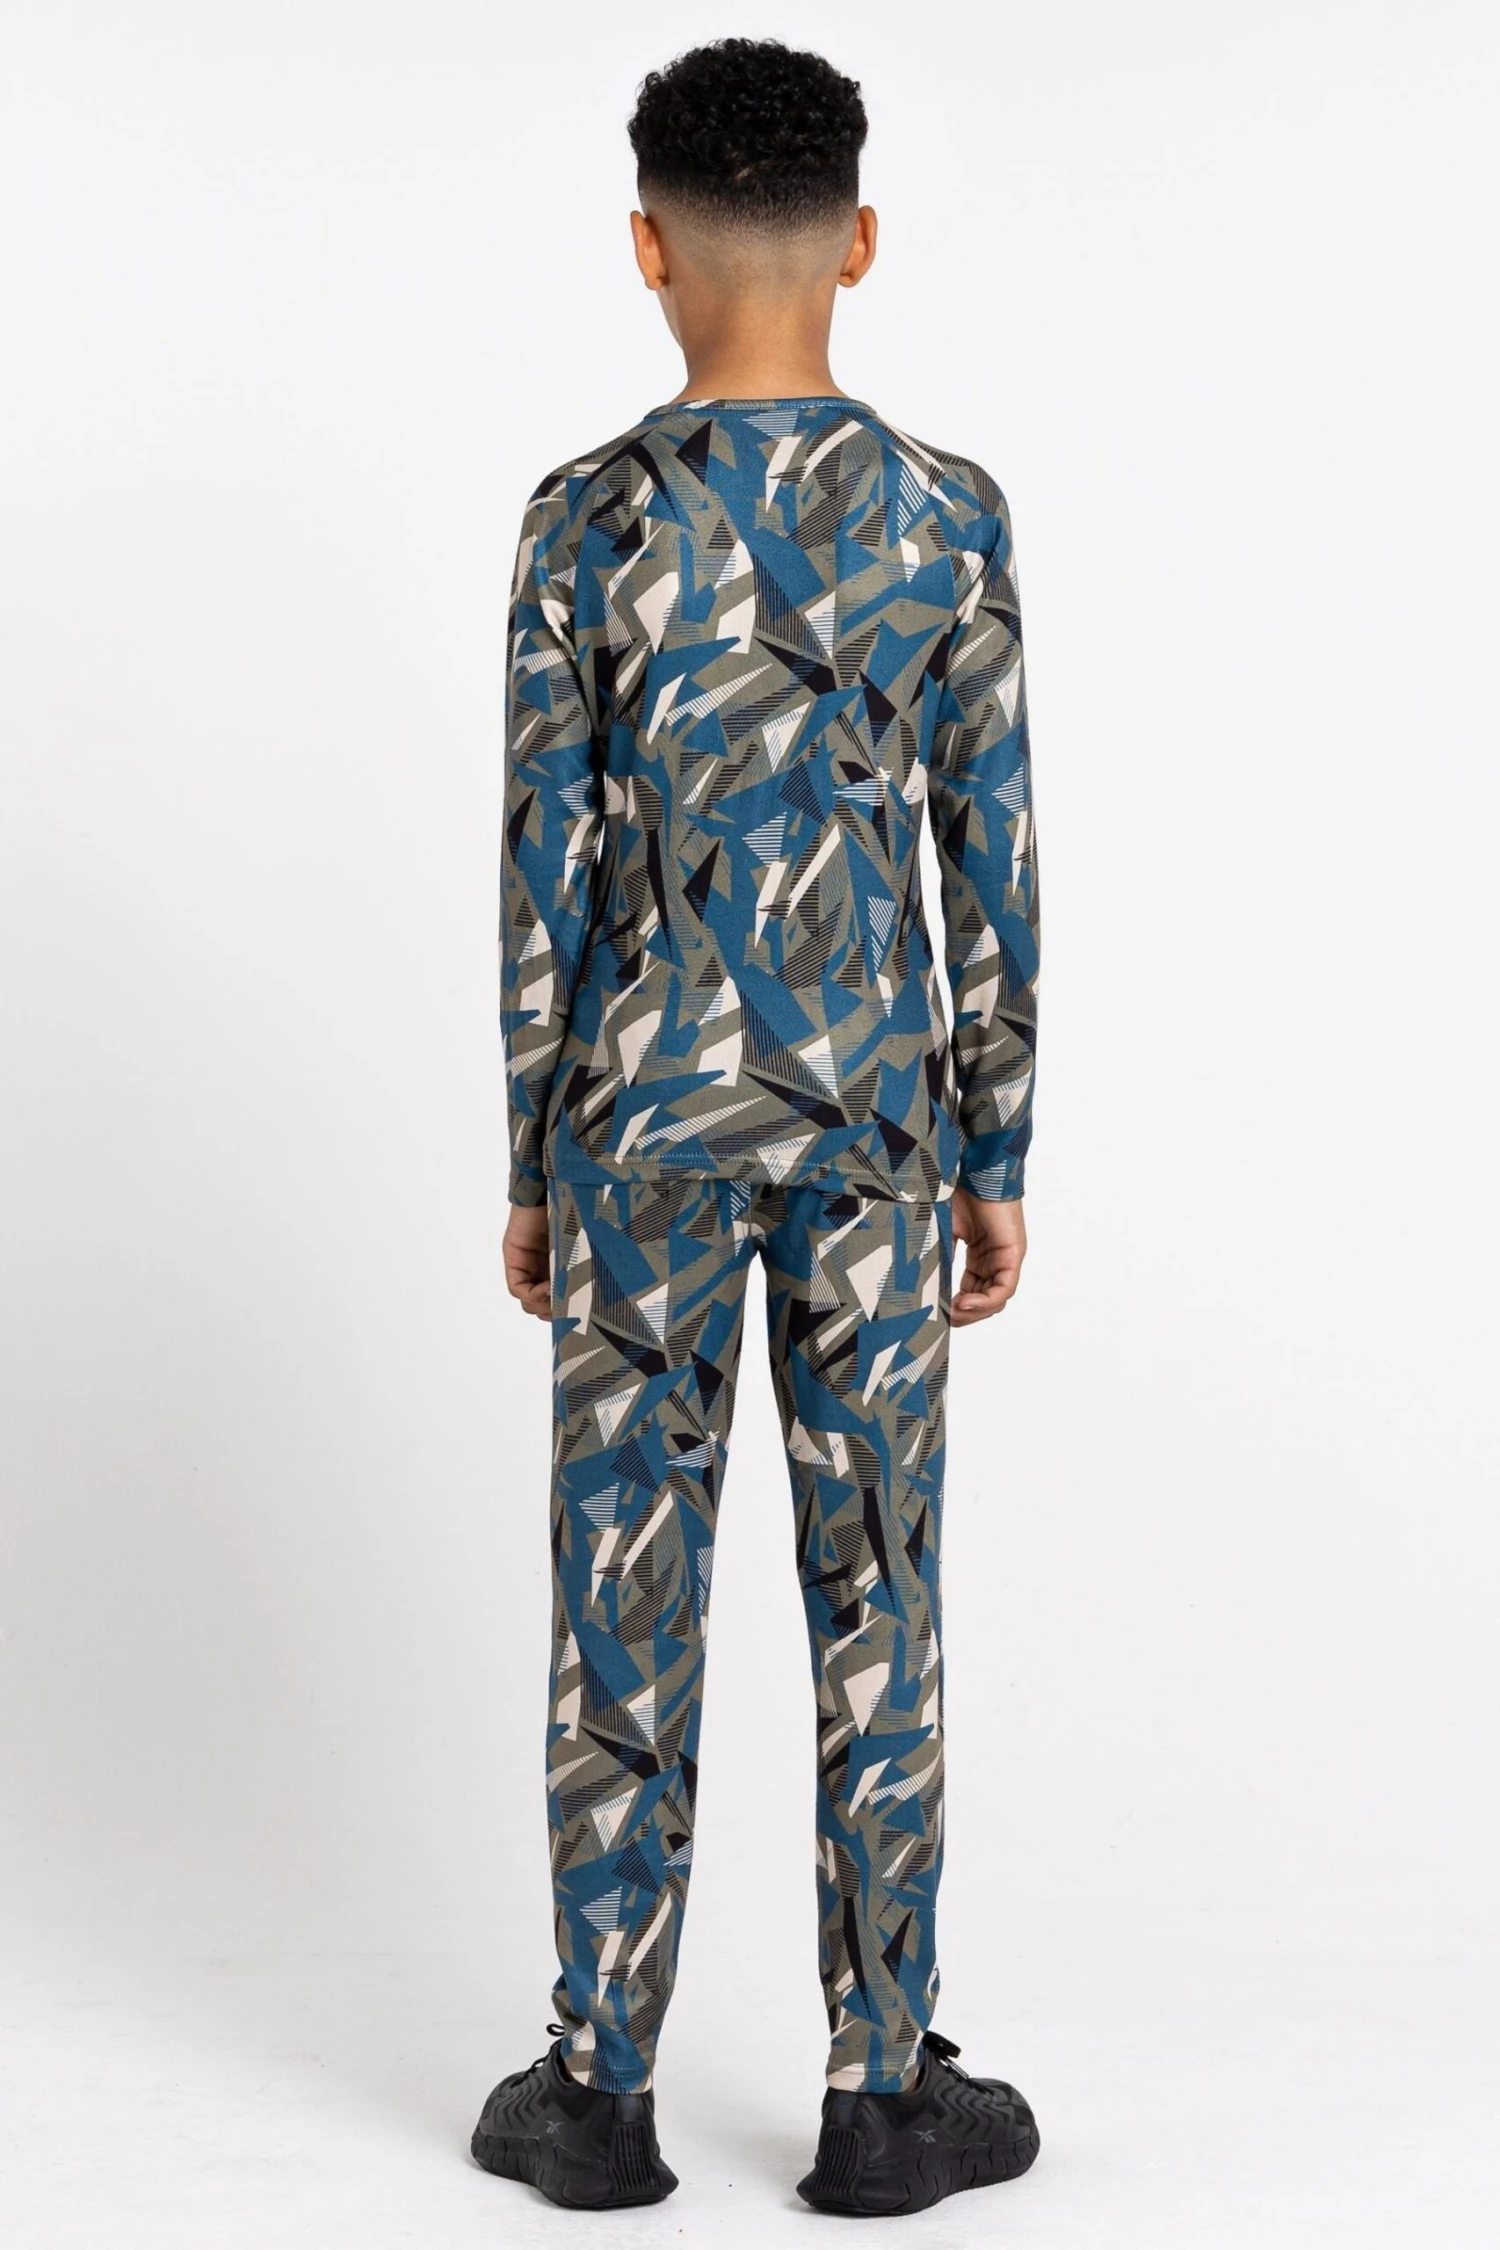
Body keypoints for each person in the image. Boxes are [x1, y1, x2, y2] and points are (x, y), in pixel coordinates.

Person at [473, 36, 1041, 2219]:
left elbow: (543, 872)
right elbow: (992, 861)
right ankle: (881, 2094)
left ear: (647, 248)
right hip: (877, 1138)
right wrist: (995, 1151)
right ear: (861, 241)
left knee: (622, 1602)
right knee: (879, 1591)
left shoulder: (583, 521)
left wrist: (535, 1156)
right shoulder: (947, 516)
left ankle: (596, 2090)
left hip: (639, 1134)